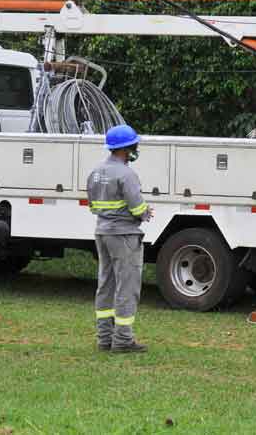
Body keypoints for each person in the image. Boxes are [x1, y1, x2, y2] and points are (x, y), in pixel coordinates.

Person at [88, 124, 153, 353]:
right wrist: (146, 212)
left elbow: (93, 205)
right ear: (127, 148)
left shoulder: (96, 172)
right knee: (127, 286)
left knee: (106, 284)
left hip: (102, 232)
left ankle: (104, 338)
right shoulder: (127, 174)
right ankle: (123, 340)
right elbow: (137, 208)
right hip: (124, 235)